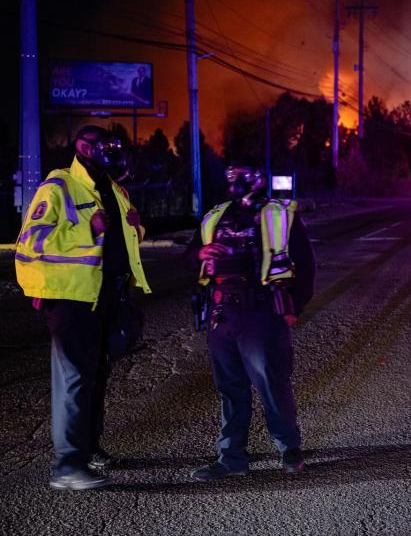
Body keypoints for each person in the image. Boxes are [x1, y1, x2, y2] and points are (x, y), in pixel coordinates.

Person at [15, 125, 151, 490]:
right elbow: (30, 241)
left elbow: (120, 236)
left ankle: (89, 449)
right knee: (74, 378)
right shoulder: (57, 186)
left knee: (95, 377)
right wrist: (86, 230)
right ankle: (67, 466)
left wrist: (137, 229)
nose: (114, 152)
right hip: (71, 298)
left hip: (107, 295)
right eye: (105, 146)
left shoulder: (113, 188)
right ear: (82, 147)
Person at [184, 165, 315, 481]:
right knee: (230, 387)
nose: (236, 185)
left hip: (261, 309)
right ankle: (232, 458)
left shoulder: (279, 214)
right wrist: (201, 252)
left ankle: (289, 449)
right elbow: (190, 256)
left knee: (272, 382)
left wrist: (293, 307)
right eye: (231, 179)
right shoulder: (216, 215)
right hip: (222, 311)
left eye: (242, 179)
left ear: (257, 180)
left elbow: (305, 262)